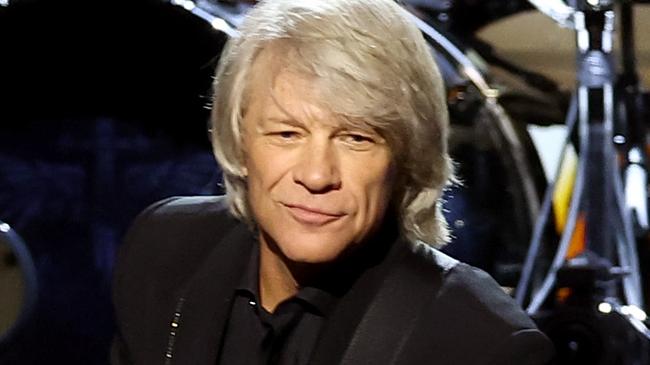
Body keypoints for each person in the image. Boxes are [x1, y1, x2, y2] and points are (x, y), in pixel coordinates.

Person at [110, 0, 555, 364]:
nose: (317, 175)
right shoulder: (163, 251)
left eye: (356, 138)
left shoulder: (480, 343)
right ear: (240, 139)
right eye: (287, 133)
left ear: (405, 156)